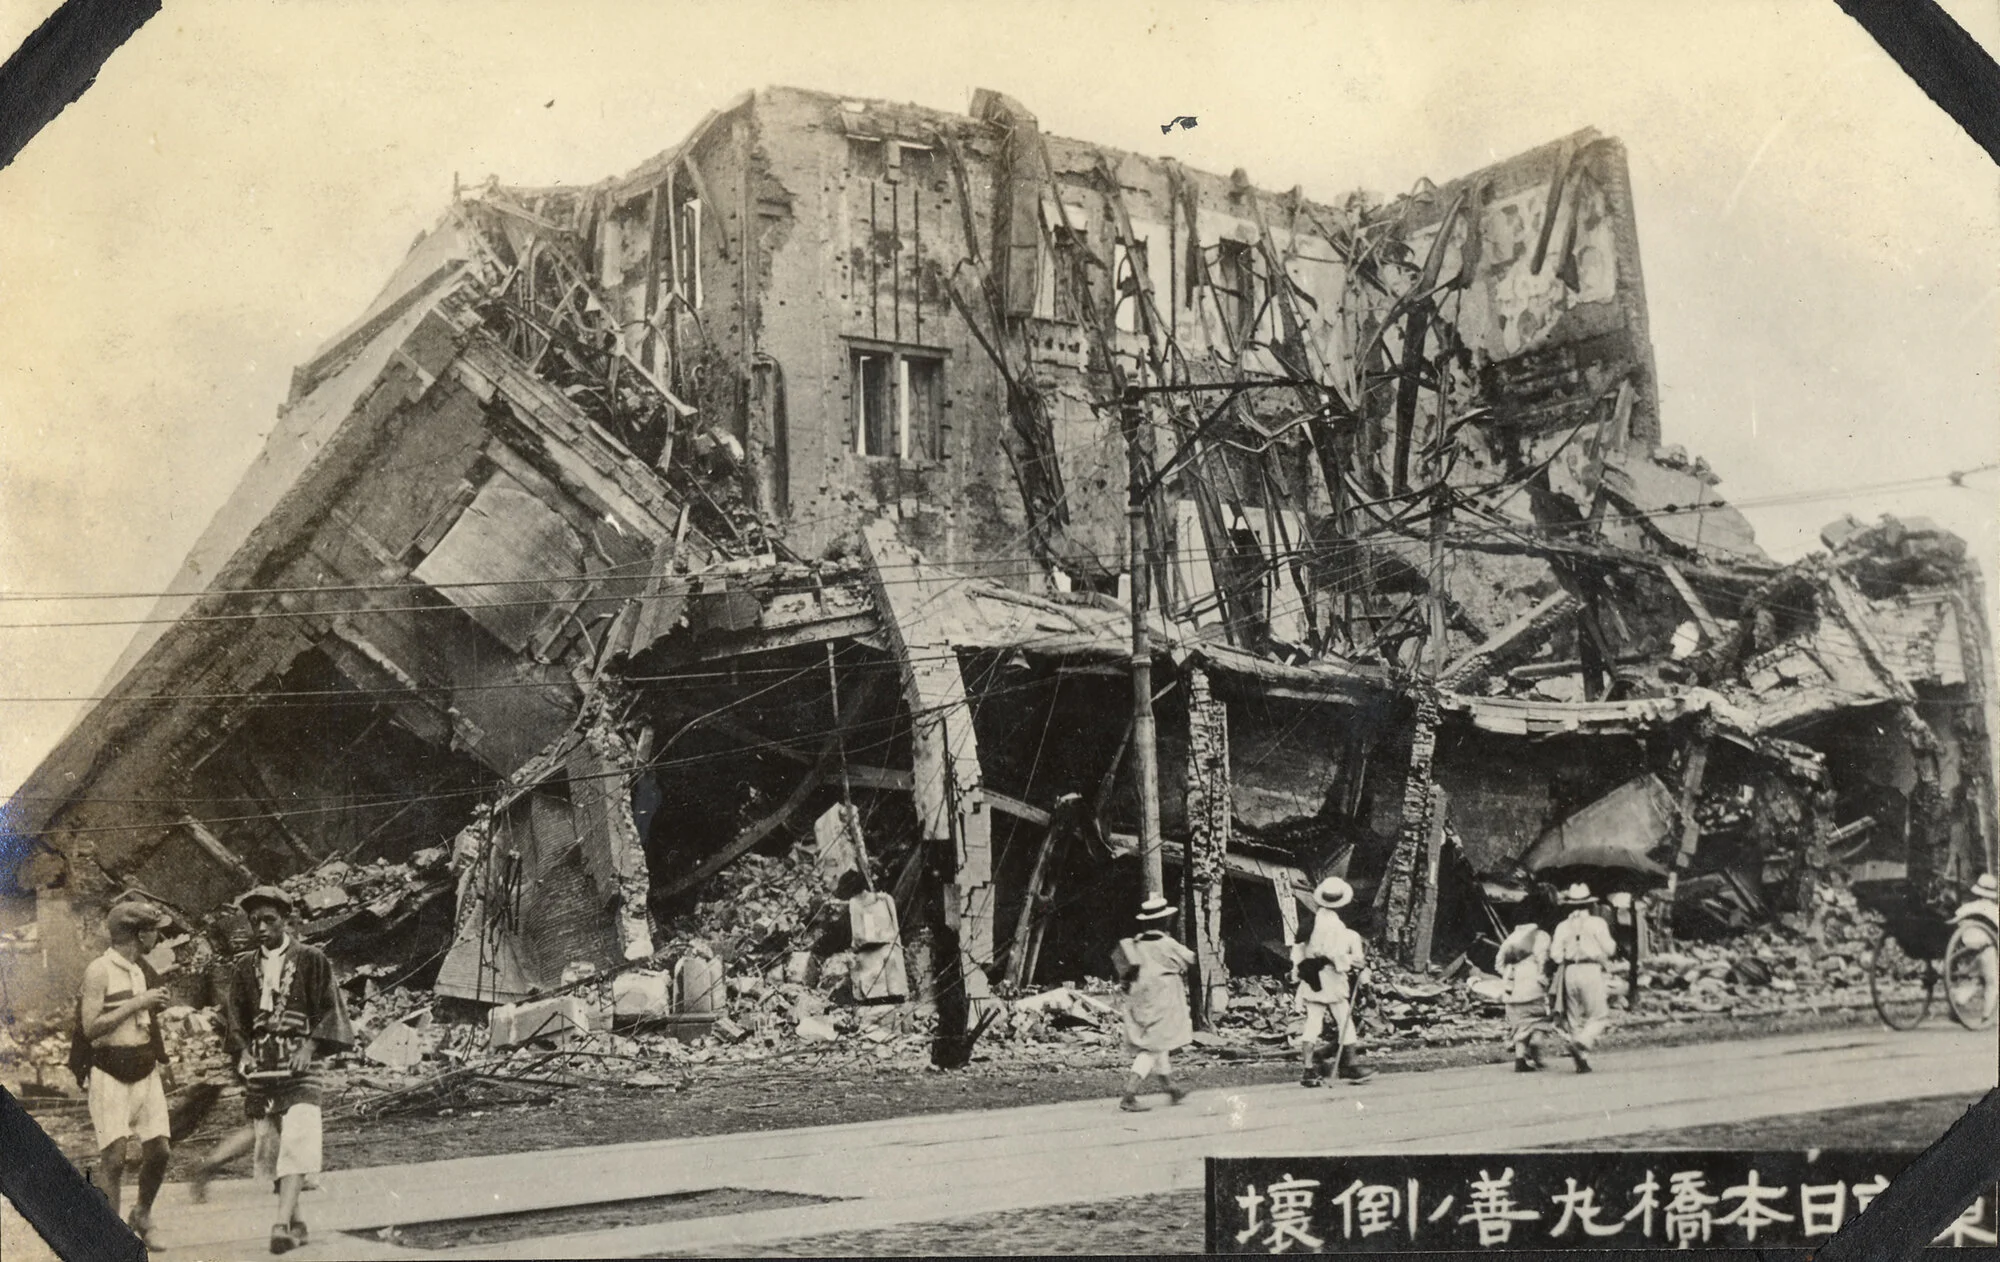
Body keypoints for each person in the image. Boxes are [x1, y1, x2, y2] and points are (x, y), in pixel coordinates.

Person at [214, 886, 354, 1254]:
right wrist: (243, 1053)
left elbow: (330, 1008)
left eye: (269, 920)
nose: (260, 927)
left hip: (299, 1064)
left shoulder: (312, 959)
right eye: (254, 921)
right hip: (263, 1067)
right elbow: (235, 1018)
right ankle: (297, 1221)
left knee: (299, 1138)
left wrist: (310, 1047)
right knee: (275, 1147)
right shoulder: (244, 967)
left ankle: (278, 1225)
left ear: (287, 920)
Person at [77, 900, 175, 1248]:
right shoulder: (99, 970)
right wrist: (138, 1003)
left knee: (160, 1149)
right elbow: (90, 1027)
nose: (159, 937)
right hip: (109, 1069)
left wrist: (163, 1058)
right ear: (139, 934)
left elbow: (149, 1021)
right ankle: (110, 1236)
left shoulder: (140, 969)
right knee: (114, 1156)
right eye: (154, 930)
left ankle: (142, 1213)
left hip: (144, 1066)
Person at [1111, 895, 1196, 1112]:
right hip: (1162, 997)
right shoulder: (1167, 943)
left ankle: (1171, 1088)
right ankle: (1129, 1094)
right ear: (1163, 921)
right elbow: (1190, 959)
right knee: (1152, 1046)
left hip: (1140, 997)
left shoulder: (1137, 943)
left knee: (1157, 1040)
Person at [1294, 877, 1374, 1085]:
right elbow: (1336, 955)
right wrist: (1354, 963)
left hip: (1311, 979)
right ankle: (1350, 1066)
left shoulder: (1309, 923)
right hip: (1331, 979)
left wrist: (1296, 973)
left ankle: (1308, 1070)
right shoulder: (1340, 930)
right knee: (1344, 1020)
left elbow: (1299, 952)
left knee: (1313, 1023)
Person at [1548, 883, 1617, 1073]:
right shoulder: (1597, 923)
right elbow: (1610, 949)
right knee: (1598, 1015)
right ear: (1589, 904)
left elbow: (1555, 954)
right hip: (1591, 969)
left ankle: (1582, 1059)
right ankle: (1582, 1042)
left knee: (1573, 1017)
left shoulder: (1562, 926)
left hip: (1569, 970)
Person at [1495, 917, 1552, 1072]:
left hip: (1511, 988)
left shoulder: (1511, 937)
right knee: (1540, 1020)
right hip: (1532, 985)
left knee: (1520, 1025)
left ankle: (1520, 1059)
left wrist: (1509, 974)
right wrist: (1544, 980)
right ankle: (1535, 1041)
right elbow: (1543, 961)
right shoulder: (1541, 936)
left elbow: (1498, 964)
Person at [1949, 872, 1998, 1025]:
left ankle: (1958, 999)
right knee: (1992, 981)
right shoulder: (1995, 910)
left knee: (1974, 977)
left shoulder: (1967, 908)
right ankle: (1987, 1015)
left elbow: (1955, 923)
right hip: (1986, 948)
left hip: (1966, 947)